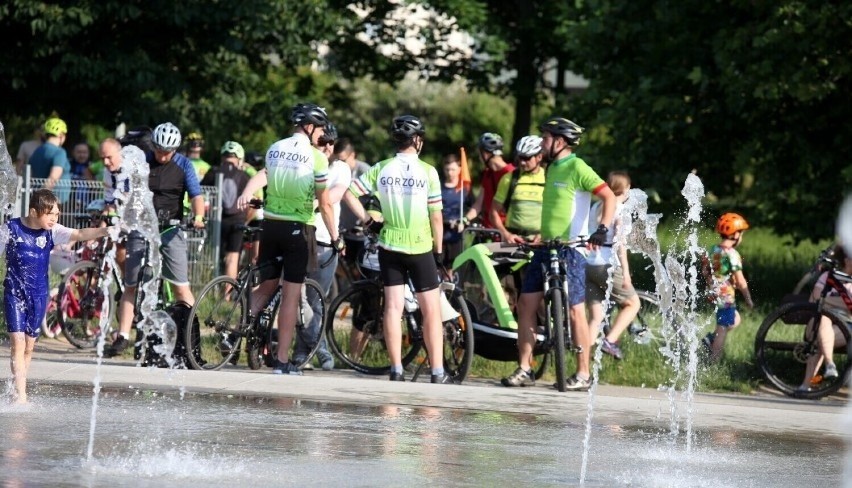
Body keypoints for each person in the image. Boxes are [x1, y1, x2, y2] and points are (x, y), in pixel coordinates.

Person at [502, 117, 616, 390]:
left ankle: (583, 373)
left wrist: (601, 229)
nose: (542, 142)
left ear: (560, 141)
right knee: (526, 305)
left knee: (575, 310)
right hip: (546, 247)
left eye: (546, 137)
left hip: (571, 249)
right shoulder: (551, 167)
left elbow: (609, 196)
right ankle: (525, 368)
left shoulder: (577, 166)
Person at [236, 102, 342, 376]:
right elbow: (325, 203)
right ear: (309, 127)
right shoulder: (316, 158)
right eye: (318, 128)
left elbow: (265, 177)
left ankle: (237, 327)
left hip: (270, 226)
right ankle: (282, 361)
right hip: (298, 229)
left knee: (268, 284)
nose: (320, 133)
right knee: (290, 298)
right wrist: (335, 236)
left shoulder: (274, 148)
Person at [346, 115, 453, 384]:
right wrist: (439, 252)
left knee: (393, 309)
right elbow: (436, 217)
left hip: (389, 245)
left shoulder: (382, 168)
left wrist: (368, 220)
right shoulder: (428, 172)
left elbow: (348, 191)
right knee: (431, 311)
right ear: (416, 141)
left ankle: (396, 369)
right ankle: (438, 371)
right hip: (419, 246)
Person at [106, 122, 207, 357]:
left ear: (175, 150)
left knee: (181, 287)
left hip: (171, 229)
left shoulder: (184, 165)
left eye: (168, 152)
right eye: (159, 150)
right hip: (142, 228)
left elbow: (196, 195)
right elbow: (125, 191)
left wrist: (199, 216)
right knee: (131, 283)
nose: (163, 155)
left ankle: (191, 339)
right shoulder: (142, 161)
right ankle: (122, 336)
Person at [3, 189, 109, 403]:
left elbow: (79, 234)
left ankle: (18, 387)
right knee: (18, 341)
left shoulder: (52, 231)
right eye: (49, 214)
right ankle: (20, 394)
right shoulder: (10, 229)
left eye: (57, 214)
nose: (54, 218)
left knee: (29, 346)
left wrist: (107, 231)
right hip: (15, 291)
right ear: (33, 211)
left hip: (39, 294)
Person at [293, 123, 348, 371]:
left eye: (331, 143)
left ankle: (302, 353)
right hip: (302, 234)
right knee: (296, 298)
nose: (326, 146)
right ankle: (318, 349)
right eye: (322, 141)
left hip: (325, 238)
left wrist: (310, 202)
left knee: (315, 300)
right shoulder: (307, 163)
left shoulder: (340, 169)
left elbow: (332, 197)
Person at [586, 171, 640, 360]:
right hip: (607, 264)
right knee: (633, 303)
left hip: (589, 264)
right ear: (624, 189)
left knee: (595, 318)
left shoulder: (595, 207)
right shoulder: (619, 210)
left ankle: (582, 364)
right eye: (628, 188)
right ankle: (610, 341)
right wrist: (626, 272)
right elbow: (620, 244)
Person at [797, 244, 852, 392]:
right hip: (817, 323)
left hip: (845, 326)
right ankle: (829, 365)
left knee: (821, 337)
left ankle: (806, 385)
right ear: (847, 259)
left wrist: (827, 300)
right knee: (824, 320)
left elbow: (820, 299)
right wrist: (842, 303)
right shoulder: (828, 276)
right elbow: (813, 300)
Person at [701, 212, 755, 362]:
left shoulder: (713, 250)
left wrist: (714, 281)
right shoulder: (732, 254)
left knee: (735, 319)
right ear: (735, 235)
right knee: (723, 327)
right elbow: (741, 280)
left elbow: (705, 270)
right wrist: (748, 299)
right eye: (741, 233)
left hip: (712, 293)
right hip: (725, 296)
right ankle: (713, 361)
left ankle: (710, 339)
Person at [201, 141, 252, 290]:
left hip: (216, 220)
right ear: (240, 158)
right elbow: (251, 202)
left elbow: (201, 193)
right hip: (238, 220)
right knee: (232, 258)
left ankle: (209, 291)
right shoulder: (244, 176)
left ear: (222, 157)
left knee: (212, 257)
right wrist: (246, 220)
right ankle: (227, 296)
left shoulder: (213, 172)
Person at [490, 135, 546, 244]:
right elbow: (493, 212)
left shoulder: (548, 178)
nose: (522, 162)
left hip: (538, 242)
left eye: (527, 158)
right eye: (520, 157)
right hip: (513, 241)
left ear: (539, 157)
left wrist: (543, 234)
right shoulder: (509, 178)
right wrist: (506, 234)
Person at [464, 132, 514, 230]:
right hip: (487, 230)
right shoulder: (488, 173)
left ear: (486, 154)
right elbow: (479, 203)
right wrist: (465, 219)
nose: (479, 157)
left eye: (480, 153)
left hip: (504, 232)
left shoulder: (511, 173)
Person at [440, 154, 473, 268]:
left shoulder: (465, 188)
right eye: (447, 169)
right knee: (439, 267)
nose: (450, 173)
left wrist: (464, 221)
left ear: (459, 169)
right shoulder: (438, 187)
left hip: (457, 235)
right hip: (440, 233)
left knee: (455, 267)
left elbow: (472, 209)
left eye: (453, 169)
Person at [28, 117, 71, 202]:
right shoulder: (60, 152)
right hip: (53, 201)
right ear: (61, 135)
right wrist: (42, 198)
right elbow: (53, 178)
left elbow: (30, 175)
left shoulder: (37, 151)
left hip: (39, 196)